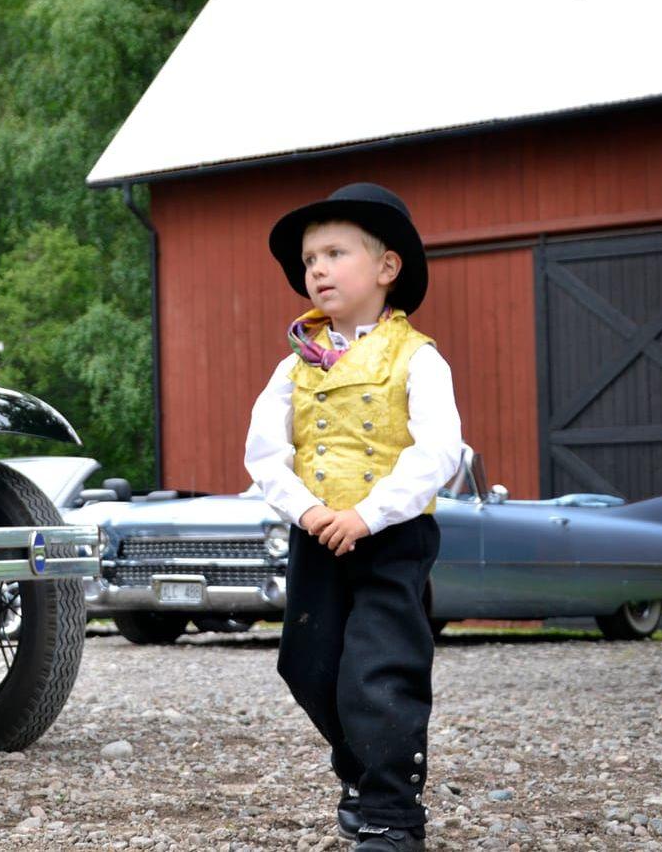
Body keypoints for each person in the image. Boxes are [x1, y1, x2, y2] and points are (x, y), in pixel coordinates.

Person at [244, 183, 462, 851]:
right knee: (308, 664)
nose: (317, 268)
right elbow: (264, 454)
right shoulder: (293, 369)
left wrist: (369, 513)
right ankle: (363, 774)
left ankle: (392, 815)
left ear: (386, 268)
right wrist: (309, 510)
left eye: (335, 253)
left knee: (380, 671)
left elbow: (438, 451)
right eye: (310, 259)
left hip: (391, 537)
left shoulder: (417, 358)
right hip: (319, 539)